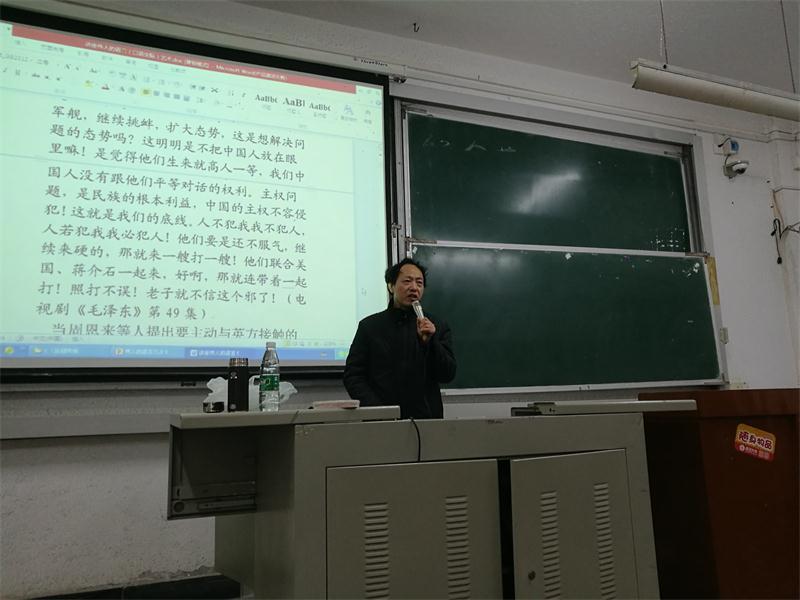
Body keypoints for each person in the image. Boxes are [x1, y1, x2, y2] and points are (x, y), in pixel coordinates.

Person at [343, 257, 456, 419]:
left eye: (419, 283)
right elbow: (353, 375)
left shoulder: (436, 326)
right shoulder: (370, 326)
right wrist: (378, 410)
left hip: (427, 421)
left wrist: (431, 343)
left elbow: (448, 374)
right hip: (382, 420)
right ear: (391, 286)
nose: (414, 288)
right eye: (407, 281)